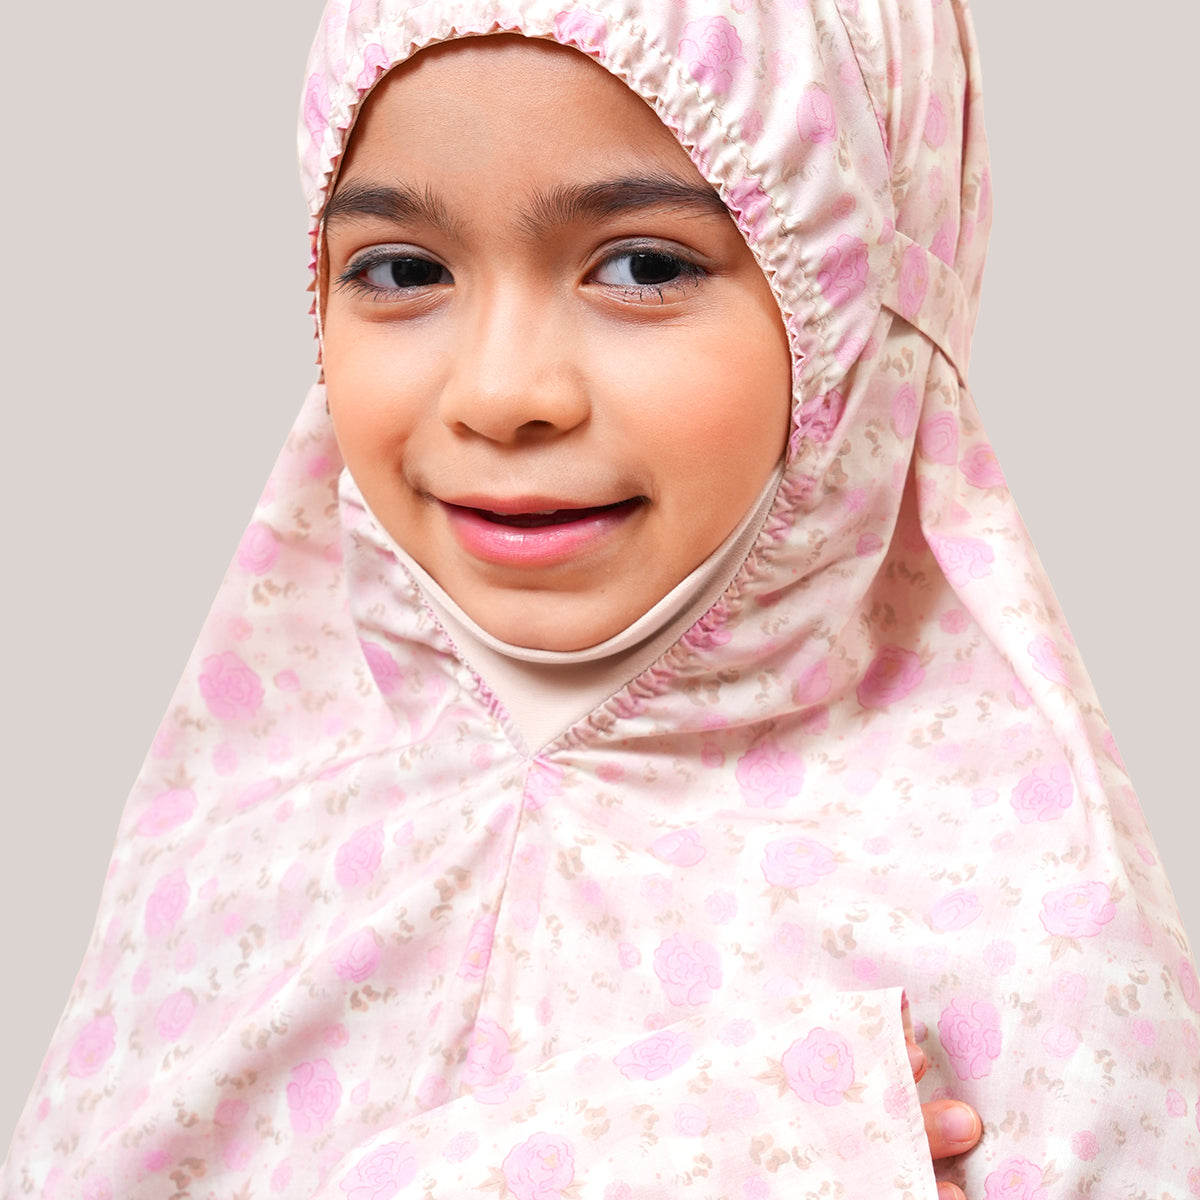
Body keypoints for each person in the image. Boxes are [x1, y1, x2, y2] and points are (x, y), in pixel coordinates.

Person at [3, 1, 1198, 1197]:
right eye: (404, 270)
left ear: (863, 317)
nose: (501, 393)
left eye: (643, 267)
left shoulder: (1034, 951)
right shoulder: (236, 846)